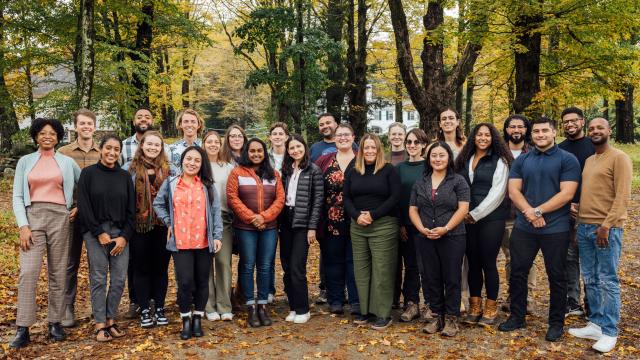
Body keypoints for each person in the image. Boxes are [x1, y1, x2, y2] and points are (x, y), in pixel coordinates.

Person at [498, 117, 580, 342]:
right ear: (531, 135)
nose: (540, 134)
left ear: (554, 133)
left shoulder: (567, 159)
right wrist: (531, 214)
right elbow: (514, 191)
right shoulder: (523, 160)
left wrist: (539, 212)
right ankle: (517, 316)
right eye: (536, 131)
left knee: (557, 275)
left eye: (545, 130)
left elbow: (567, 193)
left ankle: (556, 323)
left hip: (556, 228)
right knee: (518, 271)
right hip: (525, 227)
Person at [9, 118, 81, 349]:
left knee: (58, 272)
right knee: (28, 272)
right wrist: (23, 225)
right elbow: (18, 196)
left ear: (59, 137)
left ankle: (55, 322)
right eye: (42, 133)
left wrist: (77, 206)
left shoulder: (68, 163)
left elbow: (85, 186)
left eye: (52, 133)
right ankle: (23, 327)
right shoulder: (25, 161)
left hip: (60, 217)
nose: (47, 136)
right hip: (33, 217)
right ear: (36, 136)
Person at [568, 118, 632, 353]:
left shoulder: (619, 158)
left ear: (609, 131)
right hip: (584, 226)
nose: (595, 131)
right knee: (591, 277)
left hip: (606, 228)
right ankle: (595, 323)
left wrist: (607, 225)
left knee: (607, 279)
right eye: (592, 128)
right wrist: (578, 215)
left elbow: (623, 196)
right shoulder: (589, 160)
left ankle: (609, 331)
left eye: (600, 128)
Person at [153, 146, 223, 340]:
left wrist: (217, 236)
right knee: (185, 282)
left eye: (197, 160)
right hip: (180, 242)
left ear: (202, 164)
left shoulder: (208, 185)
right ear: (182, 160)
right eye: (189, 159)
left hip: (203, 241)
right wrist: (169, 222)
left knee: (202, 281)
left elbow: (216, 212)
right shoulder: (172, 183)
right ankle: (185, 319)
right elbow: (158, 204)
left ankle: (198, 318)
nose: (192, 163)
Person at [77, 135, 135, 342]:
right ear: (100, 149)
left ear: (120, 152)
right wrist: (98, 232)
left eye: (116, 149)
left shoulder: (124, 176)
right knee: (99, 278)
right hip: (95, 233)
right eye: (108, 148)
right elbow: (83, 205)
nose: (112, 152)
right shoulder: (88, 174)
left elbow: (131, 210)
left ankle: (111, 318)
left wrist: (124, 237)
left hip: (120, 233)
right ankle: (100, 323)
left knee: (119, 279)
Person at [410, 141, 470, 337]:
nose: (437, 159)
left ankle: (452, 318)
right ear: (428, 159)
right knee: (432, 277)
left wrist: (445, 228)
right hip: (426, 237)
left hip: (452, 236)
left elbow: (463, 208)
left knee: (451, 277)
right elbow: (413, 209)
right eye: (433, 155)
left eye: (441, 155)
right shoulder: (421, 182)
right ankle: (437, 316)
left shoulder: (458, 181)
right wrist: (422, 229)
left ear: (448, 158)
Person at [455, 123, 512, 326]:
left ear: (493, 138)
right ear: (473, 137)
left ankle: (490, 307)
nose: (483, 138)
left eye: (487, 135)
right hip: (466, 219)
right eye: (479, 134)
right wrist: (463, 213)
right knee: (473, 263)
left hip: (491, 219)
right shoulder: (464, 159)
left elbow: (498, 193)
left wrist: (475, 214)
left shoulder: (500, 161)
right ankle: (475, 305)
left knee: (488, 263)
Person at [344, 133, 401, 330]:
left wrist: (373, 215)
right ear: (361, 150)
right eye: (365, 147)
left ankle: (383, 313)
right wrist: (357, 216)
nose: (369, 151)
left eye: (373, 148)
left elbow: (395, 197)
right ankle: (365, 311)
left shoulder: (388, 170)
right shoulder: (353, 171)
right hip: (358, 226)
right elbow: (346, 198)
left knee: (382, 270)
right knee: (361, 270)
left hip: (383, 225)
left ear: (379, 150)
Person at [227, 138, 285, 327]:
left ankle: (262, 305)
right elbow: (232, 198)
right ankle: (250, 307)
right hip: (245, 228)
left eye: (259, 151)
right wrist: (252, 217)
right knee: (247, 265)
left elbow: (280, 199)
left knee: (265, 266)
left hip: (269, 228)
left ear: (264, 153)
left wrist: (264, 217)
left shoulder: (274, 174)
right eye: (252, 151)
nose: (256, 154)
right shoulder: (237, 173)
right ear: (247, 153)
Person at [119, 107, 168, 319]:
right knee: (140, 267)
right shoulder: (128, 169)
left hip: (163, 225)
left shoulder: (170, 170)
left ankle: (159, 305)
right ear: (142, 145)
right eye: (149, 144)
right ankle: (143, 306)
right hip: (138, 226)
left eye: (156, 145)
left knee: (160, 268)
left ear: (161, 147)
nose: (153, 147)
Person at [58, 109, 101, 328]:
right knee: (70, 263)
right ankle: (67, 308)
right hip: (71, 216)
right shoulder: (63, 153)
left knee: (97, 265)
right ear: (75, 126)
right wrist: (73, 206)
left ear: (95, 126)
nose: (86, 127)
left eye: (89, 123)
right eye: (82, 124)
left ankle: (98, 309)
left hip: (97, 218)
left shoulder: (103, 152)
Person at [310, 113, 357, 303]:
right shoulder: (325, 160)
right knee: (332, 261)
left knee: (354, 262)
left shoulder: (362, 159)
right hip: (330, 220)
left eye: (347, 135)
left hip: (357, 220)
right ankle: (335, 300)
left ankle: (356, 301)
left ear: (353, 138)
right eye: (340, 135)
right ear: (334, 139)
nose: (343, 138)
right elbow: (315, 190)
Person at [279, 134, 324, 324]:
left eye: (298, 147)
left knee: (297, 267)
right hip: (285, 220)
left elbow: (318, 201)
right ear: (287, 151)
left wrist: (312, 227)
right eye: (291, 148)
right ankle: (293, 306)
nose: (295, 150)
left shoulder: (313, 170)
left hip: (303, 223)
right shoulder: (286, 170)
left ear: (304, 147)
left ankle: (303, 309)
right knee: (287, 267)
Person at [558, 106, 595, 318]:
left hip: (591, 211)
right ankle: (572, 301)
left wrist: (584, 203)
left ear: (582, 121)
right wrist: (568, 204)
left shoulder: (594, 146)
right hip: (567, 211)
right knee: (569, 257)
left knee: (590, 258)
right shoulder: (560, 149)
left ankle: (592, 302)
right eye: (566, 122)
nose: (570, 124)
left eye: (574, 121)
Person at [500, 114, 536, 313]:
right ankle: (512, 295)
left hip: (522, 214)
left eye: (520, 127)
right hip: (498, 213)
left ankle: (527, 298)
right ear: (506, 130)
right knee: (508, 259)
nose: (516, 130)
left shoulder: (533, 153)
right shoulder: (497, 152)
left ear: (525, 130)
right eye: (512, 126)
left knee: (523, 258)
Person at [395, 128, 429, 322]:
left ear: (424, 145)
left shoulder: (429, 166)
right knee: (411, 265)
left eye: (417, 142)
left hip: (428, 224)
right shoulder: (399, 168)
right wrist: (400, 224)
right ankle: (411, 303)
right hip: (407, 225)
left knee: (429, 266)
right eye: (409, 142)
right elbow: (396, 198)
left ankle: (431, 304)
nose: (412, 145)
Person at [202, 131, 236, 321]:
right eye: (209, 141)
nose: (213, 144)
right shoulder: (199, 165)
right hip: (201, 219)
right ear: (204, 143)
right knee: (206, 263)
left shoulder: (228, 167)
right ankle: (209, 306)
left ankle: (224, 305)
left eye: (217, 142)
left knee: (223, 262)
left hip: (223, 219)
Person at [267, 122, 289, 304]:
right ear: (270, 137)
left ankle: (290, 289)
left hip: (290, 209)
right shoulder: (265, 158)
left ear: (286, 137)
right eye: (274, 133)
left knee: (288, 253)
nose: (277, 136)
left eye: (281, 133)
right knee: (268, 252)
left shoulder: (293, 155)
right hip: (270, 208)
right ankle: (269, 290)